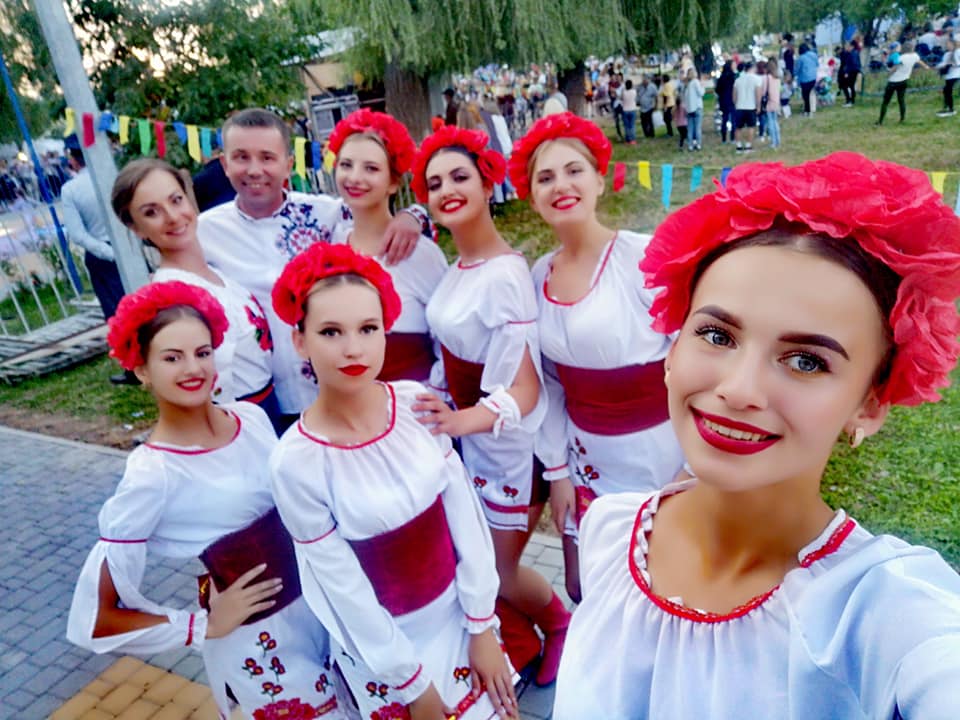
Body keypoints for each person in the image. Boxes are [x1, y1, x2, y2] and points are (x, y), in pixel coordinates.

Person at [553, 152, 960, 719]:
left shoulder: (879, 612)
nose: (740, 389)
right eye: (717, 335)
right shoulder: (609, 531)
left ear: (869, 405)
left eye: (807, 361)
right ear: (672, 349)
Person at [66, 281, 344, 719]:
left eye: (202, 352)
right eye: (172, 358)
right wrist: (201, 625)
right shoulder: (153, 473)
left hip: (326, 607)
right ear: (141, 369)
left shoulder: (251, 419)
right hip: (262, 643)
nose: (193, 368)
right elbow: (96, 619)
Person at [269, 243, 518, 720]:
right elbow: (339, 586)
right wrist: (411, 682)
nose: (353, 348)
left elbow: (463, 515)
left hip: (463, 619)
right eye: (330, 332)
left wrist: (482, 625)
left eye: (368, 328)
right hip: (390, 651)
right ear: (299, 341)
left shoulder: (414, 404)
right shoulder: (296, 462)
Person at [409, 126, 571, 687]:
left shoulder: (504, 275)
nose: (447, 190)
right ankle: (516, 643)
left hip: (509, 450)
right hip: (468, 440)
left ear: (487, 184)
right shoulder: (456, 267)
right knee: (471, 559)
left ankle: (560, 625)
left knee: (499, 570)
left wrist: (460, 420)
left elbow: (525, 390)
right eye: (434, 184)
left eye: (460, 177)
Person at [507, 113, 684, 604]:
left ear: (600, 180)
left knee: (662, 589)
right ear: (532, 196)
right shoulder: (538, 276)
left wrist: (694, 467)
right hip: (586, 460)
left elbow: (696, 359)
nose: (560, 185)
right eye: (545, 178)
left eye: (574, 170)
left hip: (660, 457)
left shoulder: (643, 259)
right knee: (586, 585)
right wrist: (557, 472)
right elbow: (550, 383)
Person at [197, 108, 425, 430]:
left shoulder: (325, 213)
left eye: (267, 157)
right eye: (241, 157)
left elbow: (374, 210)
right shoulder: (204, 232)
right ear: (224, 164)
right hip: (261, 398)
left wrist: (414, 215)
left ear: (288, 164)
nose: (254, 170)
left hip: (340, 389)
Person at [111, 159, 280, 429]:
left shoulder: (216, 271)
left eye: (176, 200)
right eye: (152, 212)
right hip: (238, 423)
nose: (173, 217)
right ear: (137, 228)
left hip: (269, 410)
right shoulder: (174, 297)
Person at [326, 109, 447, 386]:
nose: (355, 177)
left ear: (393, 182)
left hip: (412, 400)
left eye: (371, 168)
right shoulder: (332, 244)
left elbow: (448, 338)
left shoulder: (419, 254)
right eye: (346, 165)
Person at [60, 137, 133, 385]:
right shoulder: (113, 177)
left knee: (117, 313)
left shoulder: (71, 189)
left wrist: (106, 251)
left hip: (102, 254)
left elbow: (78, 234)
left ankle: (133, 368)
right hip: (128, 244)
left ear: (73, 160)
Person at [877, 41, 930, 125]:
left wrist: (888, 74)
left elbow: (895, 67)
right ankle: (902, 119)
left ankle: (880, 121)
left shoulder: (901, 58)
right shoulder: (915, 56)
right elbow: (919, 61)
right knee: (901, 100)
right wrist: (926, 67)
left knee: (886, 101)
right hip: (904, 80)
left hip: (893, 81)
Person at [733, 62, 761, 153]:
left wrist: (735, 104)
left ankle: (738, 146)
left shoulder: (738, 80)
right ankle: (748, 146)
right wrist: (758, 105)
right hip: (751, 106)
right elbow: (758, 93)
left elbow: (734, 94)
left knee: (738, 127)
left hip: (739, 106)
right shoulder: (757, 79)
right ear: (753, 68)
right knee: (751, 127)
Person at [936, 35, 960, 116]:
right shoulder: (947, 54)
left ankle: (950, 109)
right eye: (947, 44)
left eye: (949, 44)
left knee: (947, 91)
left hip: (955, 74)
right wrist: (939, 66)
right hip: (948, 75)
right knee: (946, 91)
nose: (947, 46)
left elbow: (958, 63)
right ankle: (946, 107)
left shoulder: (958, 52)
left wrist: (954, 64)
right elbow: (943, 63)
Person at [682, 68, 703, 151]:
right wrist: (702, 87)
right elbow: (701, 93)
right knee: (697, 127)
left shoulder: (686, 84)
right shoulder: (696, 82)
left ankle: (690, 145)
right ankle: (698, 144)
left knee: (690, 128)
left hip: (689, 109)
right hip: (697, 107)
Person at [715, 61, 736, 144]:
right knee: (733, 120)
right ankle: (732, 138)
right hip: (732, 100)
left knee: (724, 119)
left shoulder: (722, 77)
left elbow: (717, 89)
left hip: (723, 101)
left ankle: (724, 138)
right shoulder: (733, 77)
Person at [764, 58, 783, 150]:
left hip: (769, 102)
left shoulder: (767, 78)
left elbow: (764, 90)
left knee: (770, 122)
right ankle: (778, 140)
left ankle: (773, 142)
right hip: (776, 101)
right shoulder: (778, 78)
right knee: (775, 121)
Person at [795, 43, 818, 116]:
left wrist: (793, 74)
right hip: (813, 77)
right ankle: (812, 109)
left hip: (805, 79)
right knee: (812, 94)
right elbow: (817, 64)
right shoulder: (814, 55)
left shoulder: (800, 58)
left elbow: (797, 70)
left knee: (805, 96)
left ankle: (807, 111)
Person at [838, 40, 862, 107]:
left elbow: (852, 64)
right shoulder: (853, 53)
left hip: (852, 72)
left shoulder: (852, 54)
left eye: (848, 46)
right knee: (851, 86)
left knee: (846, 86)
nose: (847, 48)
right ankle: (851, 101)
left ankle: (849, 101)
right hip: (854, 71)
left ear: (852, 46)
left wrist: (847, 72)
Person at [638, 75, 658, 139]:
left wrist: (656, 105)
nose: (644, 81)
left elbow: (656, 96)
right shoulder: (640, 86)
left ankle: (652, 135)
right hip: (642, 108)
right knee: (643, 122)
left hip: (650, 107)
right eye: (643, 80)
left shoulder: (652, 86)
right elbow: (638, 95)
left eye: (645, 80)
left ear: (648, 80)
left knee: (649, 121)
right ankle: (646, 134)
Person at [621, 79, 638, 144]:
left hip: (625, 109)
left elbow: (621, 98)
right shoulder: (634, 91)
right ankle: (633, 139)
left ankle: (628, 139)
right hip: (632, 109)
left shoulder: (624, 92)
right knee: (632, 125)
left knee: (626, 126)